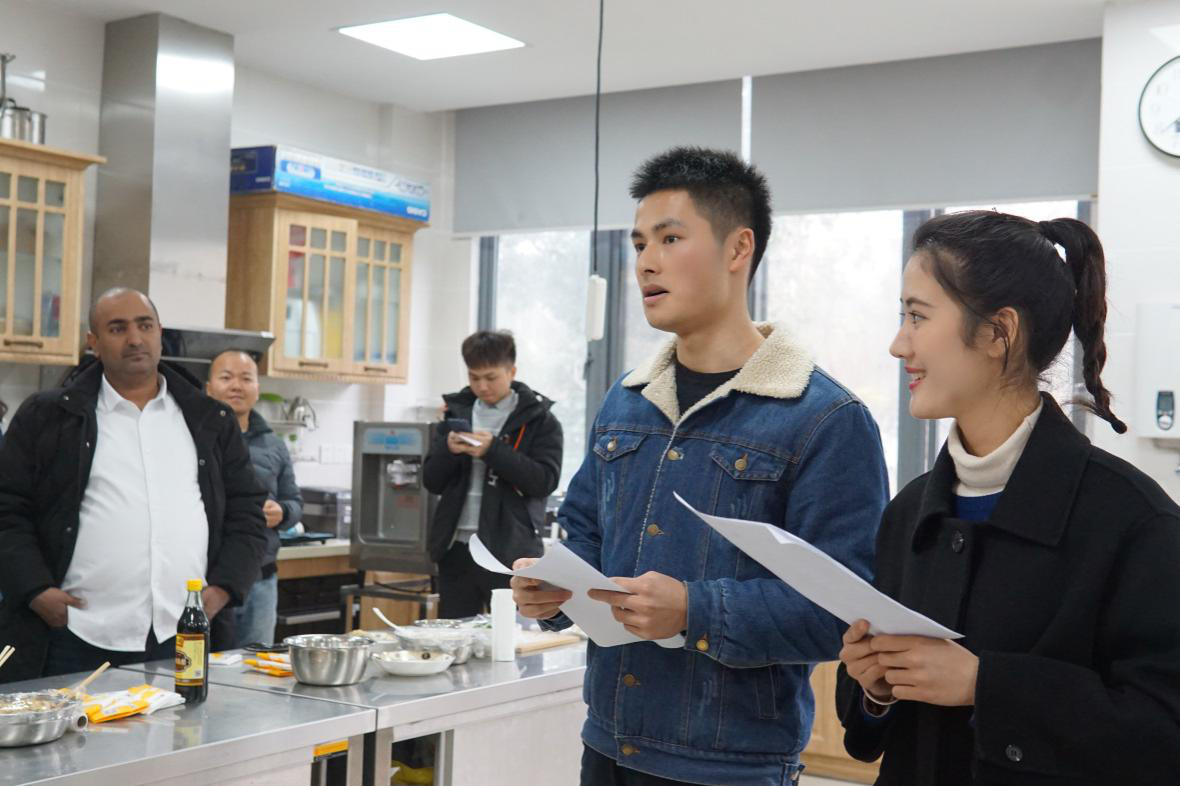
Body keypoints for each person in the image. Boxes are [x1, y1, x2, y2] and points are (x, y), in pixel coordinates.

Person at [511, 147, 889, 786]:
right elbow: (585, 539)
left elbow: (842, 613)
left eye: (670, 238)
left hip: (729, 768)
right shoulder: (626, 402)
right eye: (639, 244)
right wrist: (554, 591)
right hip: (607, 745)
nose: (645, 262)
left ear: (738, 248)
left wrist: (695, 610)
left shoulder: (824, 418)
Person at [837, 211, 1180, 785]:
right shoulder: (910, 512)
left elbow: (1163, 733)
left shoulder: (1134, 521)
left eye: (918, 316)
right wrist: (875, 688)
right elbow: (870, 736)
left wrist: (984, 686)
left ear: (999, 332)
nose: (899, 345)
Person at [0, 287, 268, 681]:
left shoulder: (210, 418)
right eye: (117, 328)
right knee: (74, 725)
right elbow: (7, 510)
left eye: (145, 326)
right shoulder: (48, 417)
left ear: (159, 332)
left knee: (186, 723)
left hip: (184, 632)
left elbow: (248, 512)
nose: (135, 339)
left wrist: (224, 588)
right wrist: (35, 590)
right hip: (74, 634)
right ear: (93, 342)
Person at [423, 330, 563, 619]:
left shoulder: (540, 420)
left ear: (512, 372)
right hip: (455, 548)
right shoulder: (456, 414)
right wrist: (448, 450)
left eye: (491, 377)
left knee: (512, 636)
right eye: (474, 378)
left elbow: (544, 481)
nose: (482, 386)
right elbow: (431, 481)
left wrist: (492, 450)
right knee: (455, 636)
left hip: (511, 552)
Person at [206, 349, 303, 647]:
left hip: (262, 579)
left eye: (246, 379)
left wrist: (283, 512)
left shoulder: (274, 444)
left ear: (257, 389)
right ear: (209, 388)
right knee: (206, 664)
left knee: (257, 665)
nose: (237, 386)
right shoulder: (196, 439)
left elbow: (295, 501)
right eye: (226, 378)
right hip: (209, 579)